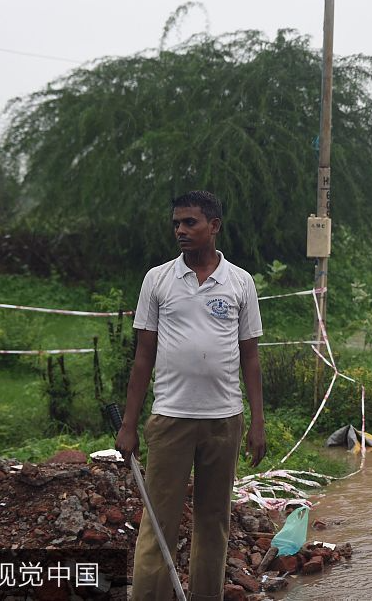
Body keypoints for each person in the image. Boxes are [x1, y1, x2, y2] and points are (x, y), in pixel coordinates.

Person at [115, 190, 266, 601]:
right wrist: (128, 425)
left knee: (214, 520)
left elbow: (250, 357)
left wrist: (258, 422)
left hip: (224, 420)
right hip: (170, 419)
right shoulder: (158, 279)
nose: (181, 230)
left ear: (214, 226)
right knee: (158, 522)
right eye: (176, 223)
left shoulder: (239, 282)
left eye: (190, 223)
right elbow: (143, 356)